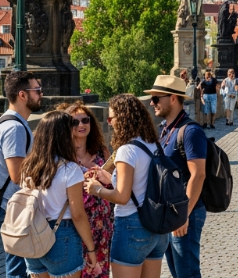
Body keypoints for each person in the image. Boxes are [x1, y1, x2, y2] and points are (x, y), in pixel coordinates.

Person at [83, 94, 169, 278]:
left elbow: (122, 196)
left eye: (111, 118)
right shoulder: (152, 144)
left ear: (123, 119)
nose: (110, 123)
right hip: (157, 226)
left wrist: (96, 189)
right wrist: (109, 178)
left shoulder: (126, 150)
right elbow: (140, 181)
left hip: (132, 226)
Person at [19, 111, 99, 278]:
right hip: (62, 234)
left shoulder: (28, 166)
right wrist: (91, 248)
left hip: (33, 233)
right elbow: (77, 215)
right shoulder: (69, 169)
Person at [145, 76, 208, 278]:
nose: (151, 103)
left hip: (185, 213)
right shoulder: (165, 129)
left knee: (187, 274)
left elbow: (198, 175)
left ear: (173, 98)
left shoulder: (190, 131)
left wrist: (184, 215)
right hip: (171, 214)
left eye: (156, 98)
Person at [0, 70, 40, 278]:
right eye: (37, 90)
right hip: (14, 209)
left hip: (14, 207)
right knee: (18, 271)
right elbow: (17, 174)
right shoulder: (14, 128)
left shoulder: (12, 123)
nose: (41, 94)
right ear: (22, 94)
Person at [58, 101, 113, 278]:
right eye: (75, 122)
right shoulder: (63, 155)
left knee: (100, 272)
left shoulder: (101, 151)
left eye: (85, 120)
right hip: (76, 225)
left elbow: (114, 183)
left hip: (102, 225)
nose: (81, 125)